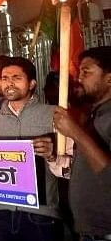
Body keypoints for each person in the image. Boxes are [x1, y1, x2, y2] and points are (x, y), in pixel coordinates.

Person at [0, 57, 63, 241]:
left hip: (40, 214)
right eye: (4, 78)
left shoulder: (54, 115)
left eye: (16, 78)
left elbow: (71, 168)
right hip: (0, 212)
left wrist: (52, 155)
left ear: (32, 83)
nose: (9, 83)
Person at [53, 46, 111, 240]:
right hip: (90, 231)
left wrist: (76, 133)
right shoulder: (94, 115)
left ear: (109, 78)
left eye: (86, 72)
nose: (78, 78)